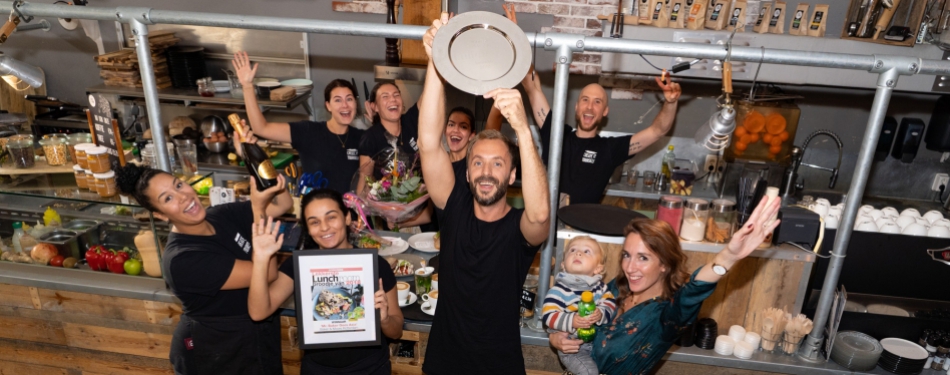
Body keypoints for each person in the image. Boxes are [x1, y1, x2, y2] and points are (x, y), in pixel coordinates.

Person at [417, 14, 551, 374]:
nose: (486, 172)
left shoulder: (519, 232)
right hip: (444, 364)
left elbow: (540, 216)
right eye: (477, 163)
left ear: (512, 174)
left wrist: (522, 127)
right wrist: (436, 62)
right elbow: (430, 145)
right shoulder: (454, 204)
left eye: (496, 164)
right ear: (467, 172)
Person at [115, 136, 293, 374]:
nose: (183, 197)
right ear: (160, 215)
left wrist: (253, 157)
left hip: (252, 340)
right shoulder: (183, 260)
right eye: (168, 199)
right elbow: (268, 272)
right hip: (217, 353)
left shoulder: (220, 214)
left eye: (178, 185)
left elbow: (282, 203)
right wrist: (258, 208)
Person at [548, 196, 781, 374]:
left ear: (664, 265)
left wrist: (728, 256)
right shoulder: (618, 287)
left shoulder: (667, 315)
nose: (630, 267)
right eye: (627, 255)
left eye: (643, 258)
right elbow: (573, 316)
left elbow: (693, 292)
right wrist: (556, 339)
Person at [247, 189, 403, 374]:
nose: (324, 227)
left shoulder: (375, 264)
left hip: (370, 368)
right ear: (308, 228)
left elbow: (396, 331)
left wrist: (384, 319)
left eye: (331, 217)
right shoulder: (300, 267)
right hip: (318, 370)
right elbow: (258, 312)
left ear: (346, 218)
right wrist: (261, 259)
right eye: (314, 222)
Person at [521, 70, 681, 205]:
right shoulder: (556, 134)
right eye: (585, 100)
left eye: (597, 102)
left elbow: (657, 131)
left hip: (580, 229)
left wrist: (671, 103)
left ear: (605, 111)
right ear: (577, 107)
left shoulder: (609, 149)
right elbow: (533, 89)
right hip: (544, 227)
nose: (590, 107)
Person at [232, 52, 363, 195]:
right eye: (338, 100)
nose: (345, 105)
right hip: (314, 215)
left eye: (349, 99)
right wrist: (247, 86)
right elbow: (261, 128)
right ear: (328, 106)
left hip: (351, 216)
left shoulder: (363, 138)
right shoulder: (309, 132)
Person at [541, 236, 617, 375]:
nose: (578, 253)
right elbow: (548, 315)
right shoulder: (559, 290)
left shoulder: (600, 288)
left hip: (596, 343)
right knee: (589, 372)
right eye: (573, 250)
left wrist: (600, 312)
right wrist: (572, 321)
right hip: (573, 347)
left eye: (586, 251)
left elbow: (610, 303)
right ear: (563, 264)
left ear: (598, 268)